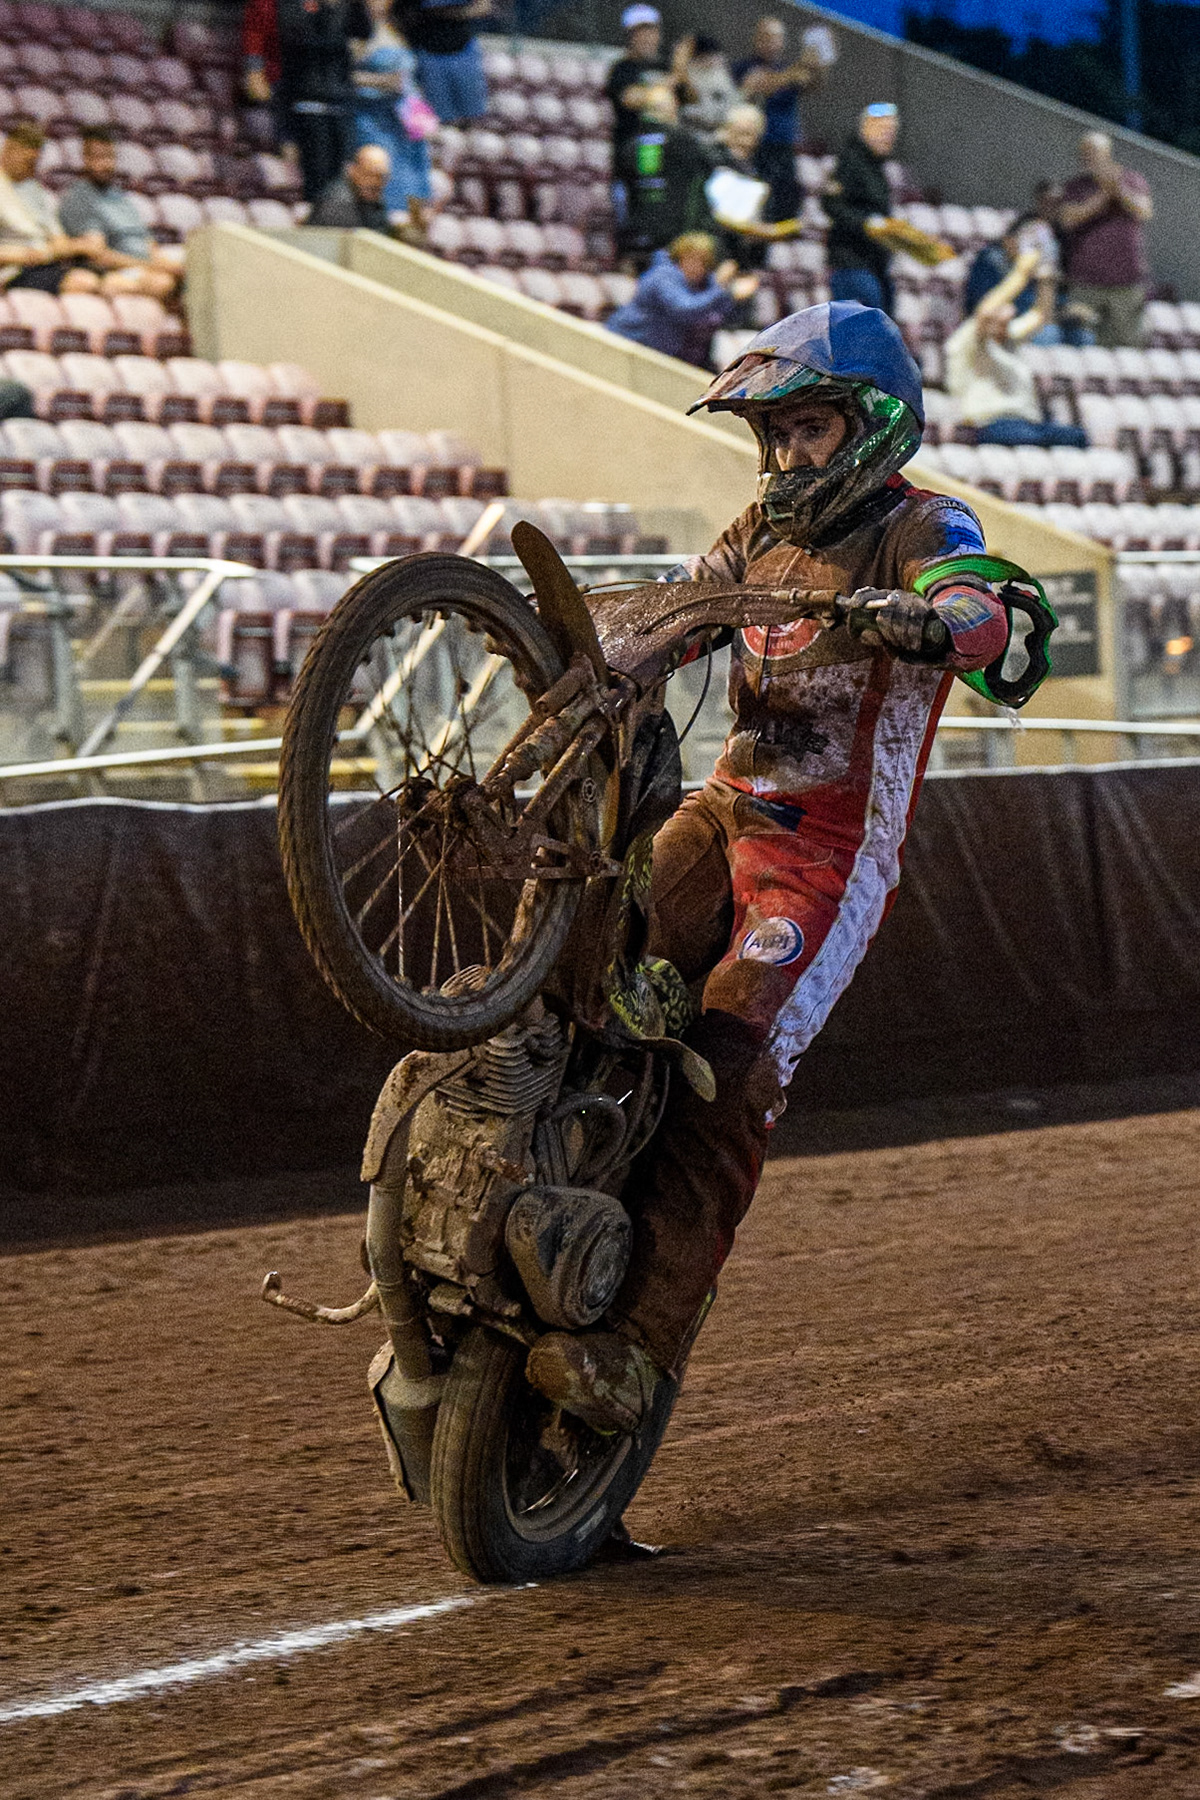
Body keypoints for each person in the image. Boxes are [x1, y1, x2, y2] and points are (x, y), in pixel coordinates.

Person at [526, 301, 1017, 1433]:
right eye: (779, 433)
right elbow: (687, 609)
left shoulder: (925, 524)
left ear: (874, 427)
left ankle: (640, 1355)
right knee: (599, 916)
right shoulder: (756, 530)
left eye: (813, 430)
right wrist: (612, 648)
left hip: (828, 864)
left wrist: (939, 619)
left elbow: (985, 604)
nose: (791, 453)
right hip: (726, 807)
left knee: (731, 1074)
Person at [944, 247, 1087, 447]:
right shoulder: (967, 340)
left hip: (1027, 423)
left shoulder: (1008, 338)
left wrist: (1045, 278)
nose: (1007, 314)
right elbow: (985, 312)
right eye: (1000, 311)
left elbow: (1040, 316)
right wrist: (1020, 273)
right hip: (991, 423)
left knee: (1078, 437)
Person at [1056, 131, 1153, 349]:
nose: (1087, 158)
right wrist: (1104, 195)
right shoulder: (1075, 186)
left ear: (1107, 153)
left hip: (1126, 283)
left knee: (1128, 345)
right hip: (1085, 281)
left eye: (1093, 152)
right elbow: (1068, 220)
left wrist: (1119, 190)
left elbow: (1144, 211)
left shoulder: (1132, 179)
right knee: (1079, 341)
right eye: (1083, 154)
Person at [57, 129, 180, 300]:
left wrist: (163, 263)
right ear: (86, 159)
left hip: (148, 264)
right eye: (99, 158)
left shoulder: (119, 196)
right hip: (120, 271)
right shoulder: (79, 199)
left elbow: (147, 241)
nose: (106, 164)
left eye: (109, 157)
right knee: (162, 282)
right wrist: (152, 266)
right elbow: (99, 256)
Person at [605, 231, 758, 365]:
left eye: (705, 262)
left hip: (659, 356)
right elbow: (684, 309)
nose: (698, 266)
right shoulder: (664, 275)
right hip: (624, 344)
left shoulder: (703, 283)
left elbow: (721, 315)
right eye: (693, 259)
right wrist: (722, 290)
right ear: (681, 256)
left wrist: (736, 297)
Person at [733, 16, 828, 223]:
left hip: (785, 148)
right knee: (758, 206)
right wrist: (798, 68)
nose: (772, 43)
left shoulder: (787, 69)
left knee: (784, 208)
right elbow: (763, 83)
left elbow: (812, 84)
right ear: (757, 39)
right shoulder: (744, 67)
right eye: (767, 37)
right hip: (756, 149)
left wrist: (820, 61)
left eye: (777, 38)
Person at [275, 0, 371, 204]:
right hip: (308, 106)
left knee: (344, 180)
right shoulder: (298, 7)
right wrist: (286, 134)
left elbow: (364, 31)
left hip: (341, 106)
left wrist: (346, 6)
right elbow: (298, 39)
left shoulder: (346, 9)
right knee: (317, 182)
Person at [0, 121, 112, 296]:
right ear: (8, 151)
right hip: (14, 271)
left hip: (49, 264)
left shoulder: (37, 191)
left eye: (36, 162)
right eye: (28, 162)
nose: (33, 168)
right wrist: (21, 255)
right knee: (84, 283)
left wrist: (72, 247)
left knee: (111, 281)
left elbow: (58, 239)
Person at [350, 0, 433, 223]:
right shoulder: (356, 30)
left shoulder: (398, 28)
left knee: (412, 190)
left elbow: (409, 79)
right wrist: (382, 82)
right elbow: (345, 76)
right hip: (372, 122)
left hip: (404, 126)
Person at [617, 84, 716, 263]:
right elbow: (709, 167)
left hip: (637, 235)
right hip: (674, 238)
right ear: (672, 110)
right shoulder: (682, 140)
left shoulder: (630, 146)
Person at [823, 102, 899, 317]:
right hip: (852, 263)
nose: (889, 136)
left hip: (876, 264)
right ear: (866, 128)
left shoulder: (878, 167)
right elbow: (831, 204)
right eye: (883, 130)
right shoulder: (850, 161)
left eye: (892, 132)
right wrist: (867, 224)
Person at [399, 0, 489, 127]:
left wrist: (451, 13)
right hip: (428, 53)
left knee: (473, 116)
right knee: (440, 119)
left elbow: (483, 7)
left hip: (463, 51)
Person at [307, 142, 393, 229]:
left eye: (381, 176)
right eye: (369, 174)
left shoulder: (372, 201)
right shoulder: (336, 205)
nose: (375, 182)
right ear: (352, 170)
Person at [678, 33, 739, 147]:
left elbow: (733, 107)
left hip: (722, 137)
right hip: (693, 138)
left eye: (716, 57)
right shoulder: (687, 81)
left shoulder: (723, 79)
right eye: (705, 58)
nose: (712, 62)